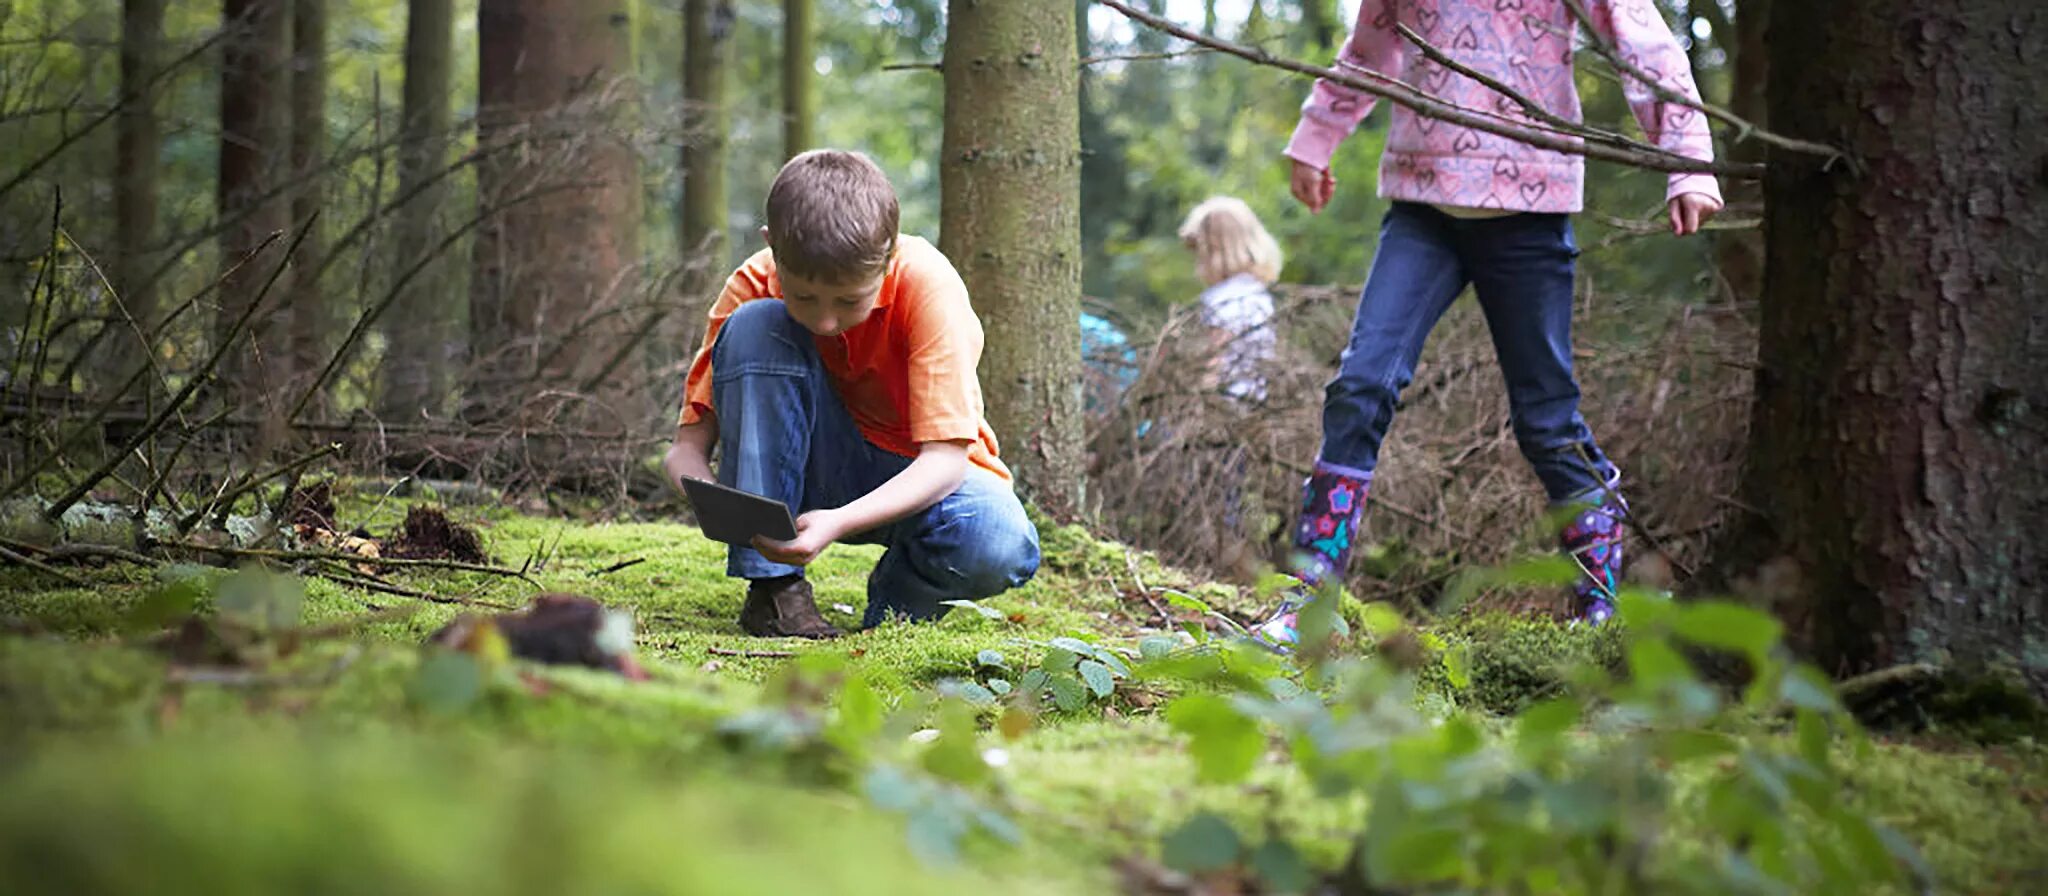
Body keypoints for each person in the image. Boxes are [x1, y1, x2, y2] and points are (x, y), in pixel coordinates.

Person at [1255, 0, 1723, 647]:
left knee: (1547, 421)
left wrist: (1687, 160)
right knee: (1360, 387)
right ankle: (1308, 600)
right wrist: (1315, 139)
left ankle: (1600, 611)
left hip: (1530, 212)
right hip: (1424, 213)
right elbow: (1370, 46)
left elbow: (1642, 42)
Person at [663, 149, 1041, 639]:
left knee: (998, 541)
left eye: (847, 301)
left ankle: (894, 617)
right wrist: (717, 501)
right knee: (757, 324)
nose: (824, 320)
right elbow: (685, 452)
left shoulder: (928, 284)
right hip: (807, 470)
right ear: (771, 246)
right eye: (803, 297)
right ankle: (776, 595)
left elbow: (946, 461)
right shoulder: (754, 283)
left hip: (918, 480)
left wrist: (839, 522)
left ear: (887, 261)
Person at [1178, 196, 1281, 403]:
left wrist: (1198, 404)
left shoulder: (1221, 300)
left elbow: (1215, 362)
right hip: (1257, 403)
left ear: (1212, 250)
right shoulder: (1257, 294)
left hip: (1227, 405)